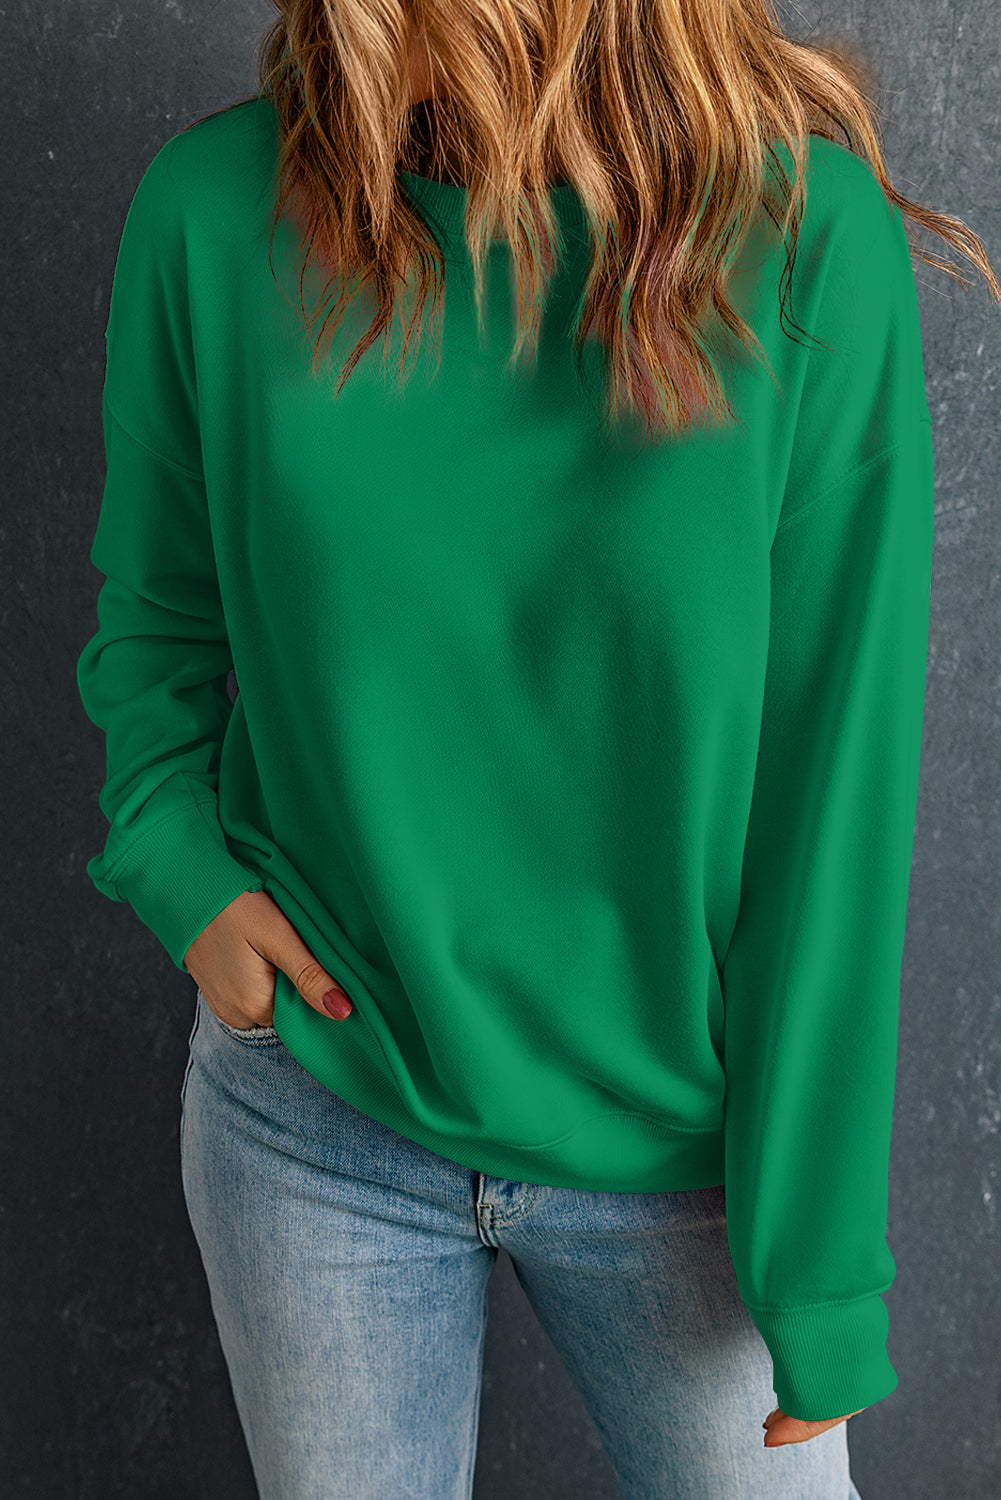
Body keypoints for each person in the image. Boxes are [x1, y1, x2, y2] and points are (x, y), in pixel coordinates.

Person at [75, 0, 999, 1494]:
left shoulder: (803, 239)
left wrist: (819, 1266)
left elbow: (833, 794)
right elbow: (158, 616)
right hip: (317, 1114)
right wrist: (179, 866)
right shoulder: (211, 211)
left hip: (684, 1153)